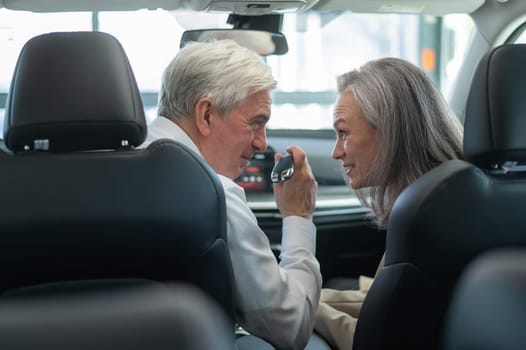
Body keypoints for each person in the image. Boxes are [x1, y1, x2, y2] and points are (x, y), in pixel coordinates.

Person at [144, 39, 322, 350]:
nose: (262, 144)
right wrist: (298, 217)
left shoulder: (100, 174)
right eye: (256, 123)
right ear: (206, 115)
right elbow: (290, 328)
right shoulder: (214, 195)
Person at [314, 57, 464, 350]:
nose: (335, 152)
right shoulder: (449, 195)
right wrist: (302, 297)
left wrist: (299, 310)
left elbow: (382, 340)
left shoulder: (424, 217)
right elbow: (393, 306)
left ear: (389, 131)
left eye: (343, 133)